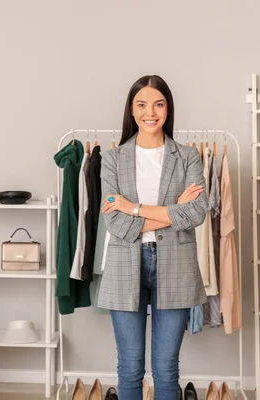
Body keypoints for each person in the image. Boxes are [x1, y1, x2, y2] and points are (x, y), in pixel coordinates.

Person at [98, 75, 208, 400]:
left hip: (176, 265)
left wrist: (133, 208)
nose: (151, 112)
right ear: (131, 111)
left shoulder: (187, 157)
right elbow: (114, 221)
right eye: (142, 104)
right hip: (124, 264)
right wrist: (172, 211)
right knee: (129, 368)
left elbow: (196, 213)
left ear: (168, 109)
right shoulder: (111, 160)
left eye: (158, 104)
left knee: (166, 367)